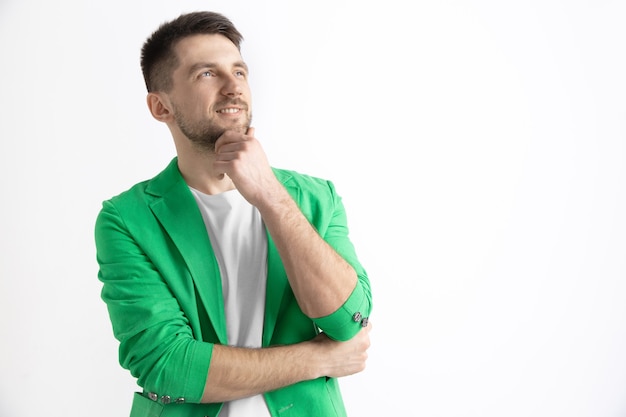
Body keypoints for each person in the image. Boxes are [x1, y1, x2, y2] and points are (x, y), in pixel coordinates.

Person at [94, 11, 372, 417]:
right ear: (160, 107)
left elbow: (349, 321)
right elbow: (167, 366)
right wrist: (320, 360)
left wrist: (270, 196)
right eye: (206, 74)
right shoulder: (127, 219)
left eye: (239, 72)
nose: (233, 88)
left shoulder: (314, 198)